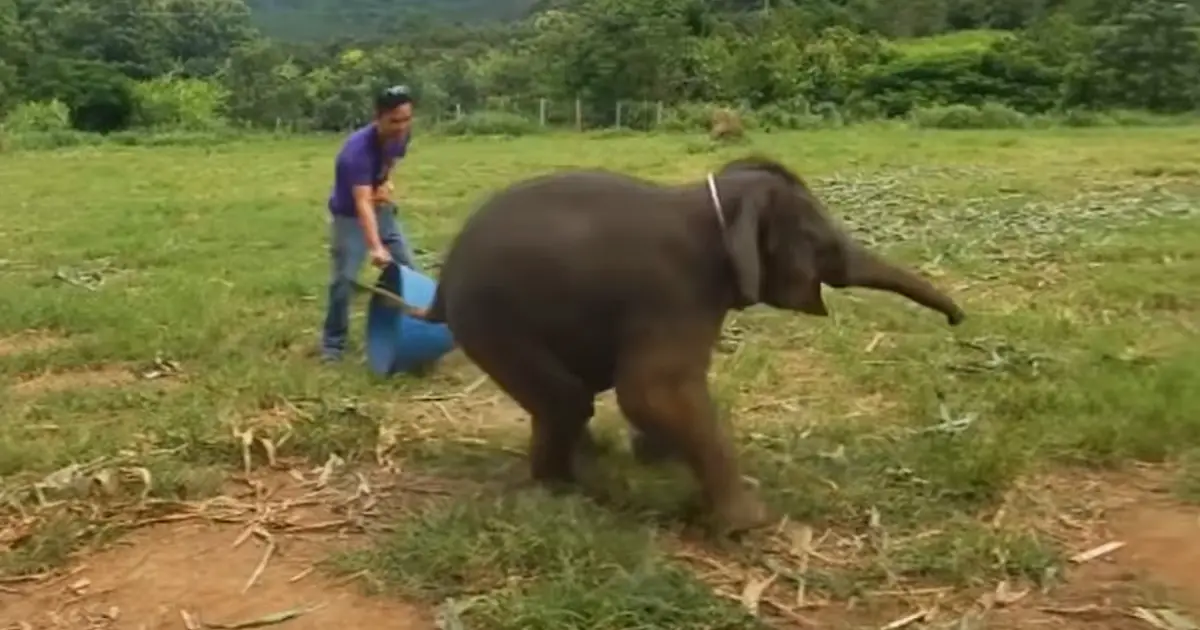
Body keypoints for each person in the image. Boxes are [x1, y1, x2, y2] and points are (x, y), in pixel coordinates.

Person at [320, 85, 419, 362]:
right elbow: (362, 203)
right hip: (350, 217)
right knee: (344, 281)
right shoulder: (356, 152)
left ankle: (413, 332)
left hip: (381, 211)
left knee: (409, 271)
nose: (401, 126)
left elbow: (390, 160)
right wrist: (375, 247)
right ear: (378, 118)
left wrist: (385, 181)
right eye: (394, 121)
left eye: (406, 119)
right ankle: (332, 347)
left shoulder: (402, 134)